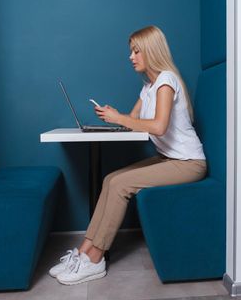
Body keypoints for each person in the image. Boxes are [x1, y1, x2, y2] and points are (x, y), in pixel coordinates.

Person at [49, 25, 207, 285]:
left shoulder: (166, 80)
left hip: (189, 163)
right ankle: (83, 252)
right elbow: (131, 121)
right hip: (169, 159)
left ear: (150, 51)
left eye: (136, 51)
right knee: (111, 178)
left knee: (121, 184)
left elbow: (158, 126)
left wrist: (120, 118)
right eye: (130, 51)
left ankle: (96, 259)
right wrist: (112, 115)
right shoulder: (148, 87)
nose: (130, 57)